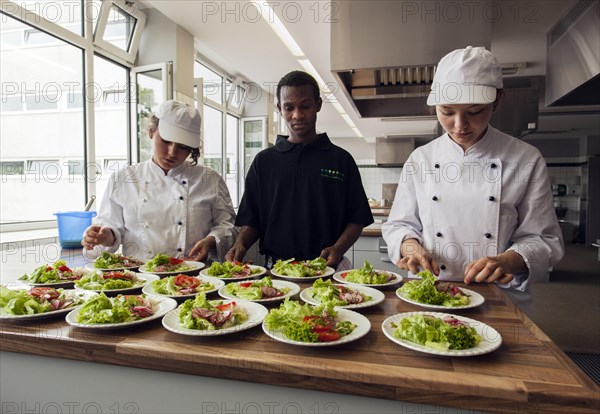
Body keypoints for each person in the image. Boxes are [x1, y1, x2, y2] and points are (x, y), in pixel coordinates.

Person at [382, 46, 564, 314]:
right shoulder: (420, 159)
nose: (459, 125)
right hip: (429, 294)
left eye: (475, 111)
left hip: (500, 298)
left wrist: (509, 261)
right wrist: (410, 248)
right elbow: (399, 224)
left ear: (497, 100)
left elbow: (544, 239)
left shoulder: (525, 159)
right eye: (446, 111)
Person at [226, 70, 373, 269]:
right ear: (280, 108)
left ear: (318, 104)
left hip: (328, 267)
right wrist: (240, 244)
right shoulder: (264, 162)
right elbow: (252, 219)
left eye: (305, 106)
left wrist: (338, 248)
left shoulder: (341, 160)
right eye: (289, 107)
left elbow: (357, 219)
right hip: (277, 270)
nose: (297, 115)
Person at [82, 100, 237, 263]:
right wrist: (105, 236)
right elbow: (108, 230)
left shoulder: (210, 180)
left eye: (183, 147)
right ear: (151, 132)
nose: (172, 152)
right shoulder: (123, 179)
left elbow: (228, 227)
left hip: (196, 279)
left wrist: (211, 240)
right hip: (139, 277)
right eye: (166, 141)